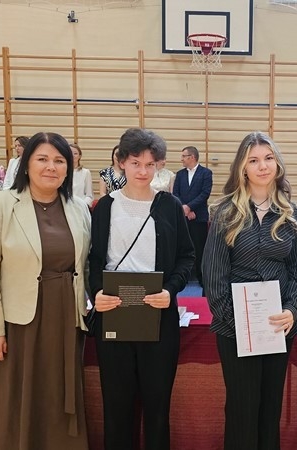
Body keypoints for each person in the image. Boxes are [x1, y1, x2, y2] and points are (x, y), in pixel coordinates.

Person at [0, 132, 91, 450]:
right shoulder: (0, 204)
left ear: (69, 167)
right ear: (26, 164)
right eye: (42, 159)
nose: (51, 167)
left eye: (59, 160)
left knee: (56, 395)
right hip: (17, 323)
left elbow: (85, 267)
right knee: (13, 400)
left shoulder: (78, 208)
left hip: (65, 318)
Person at [202, 131, 297, 450]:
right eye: (253, 160)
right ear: (243, 168)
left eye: (268, 158)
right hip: (235, 329)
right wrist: (239, 322)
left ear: (277, 164)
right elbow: (213, 275)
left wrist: (292, 311)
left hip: (279, 327)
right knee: (242, 409)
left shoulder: (291, 214)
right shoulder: (225, 213)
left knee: (269, 410)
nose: (262, 166)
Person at [88, 128, 194, 450]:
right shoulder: (105, 206)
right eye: (136, 163)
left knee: (157, 408)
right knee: (117, 407)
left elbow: (187, 257)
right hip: (114, 312)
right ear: (121, 162)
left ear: (159, 165)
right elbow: (94, 259)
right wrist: (97, 293)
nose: (143, 171)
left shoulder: (170, 206)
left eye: (150, 164)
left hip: (158, 314)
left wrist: (171, 290)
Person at [172, 145, 212, 284]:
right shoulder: (180, 174)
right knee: (182, 247)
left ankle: (201, 277)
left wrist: (190, 207)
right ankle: (183, 277)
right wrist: (184, 208)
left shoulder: (206, 173)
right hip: (183, 217)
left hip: (198, 216)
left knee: (199, 248)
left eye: (184, 156)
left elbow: (205, 193)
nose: (181, 159)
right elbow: (175, 193)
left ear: (192, 157)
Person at [69, 143, 94, 207]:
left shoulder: (85, 172)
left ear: (79, 156)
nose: (72, 156)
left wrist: (83, 205)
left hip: (81, 206)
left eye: (75, 153)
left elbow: (89, 196)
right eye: (70, 153)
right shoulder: (62, 172)